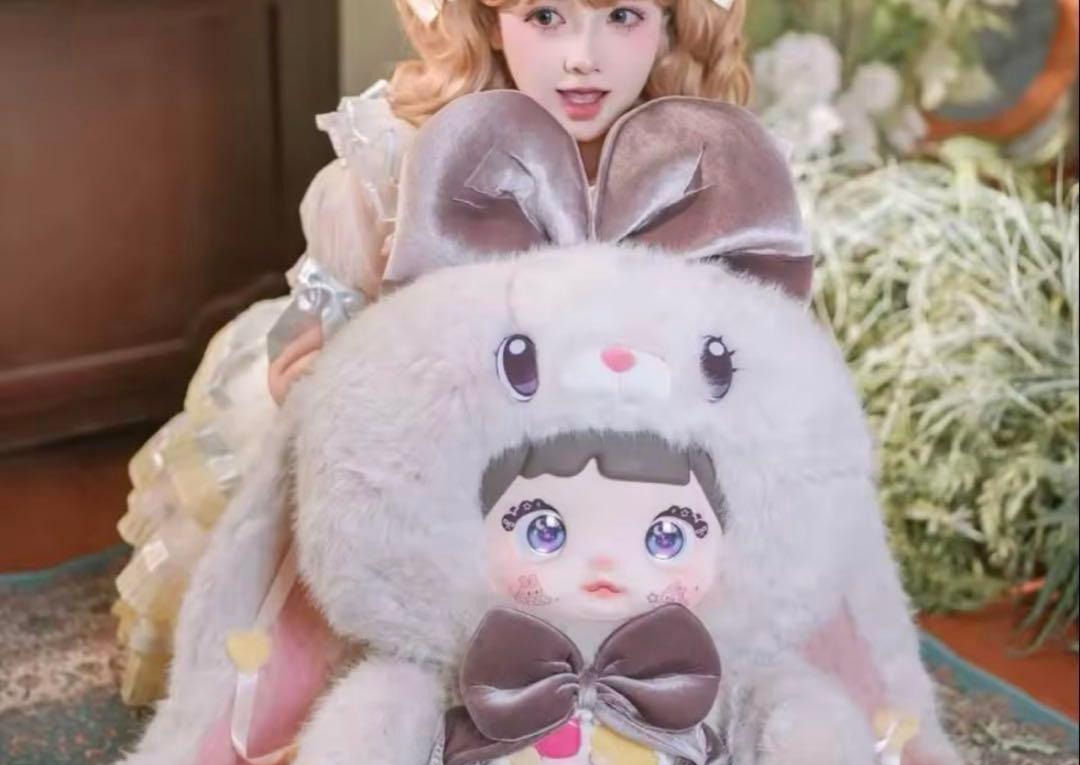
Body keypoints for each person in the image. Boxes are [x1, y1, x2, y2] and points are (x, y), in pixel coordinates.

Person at [113, 0, 751, 704]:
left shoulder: (697, 174)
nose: (583, 57)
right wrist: (321, 360)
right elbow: (323, 309)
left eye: (622, 16)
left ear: (671, 24)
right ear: (489, 21)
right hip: (442, 453)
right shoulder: (405, 159)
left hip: (630, 477)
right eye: (545, 16)